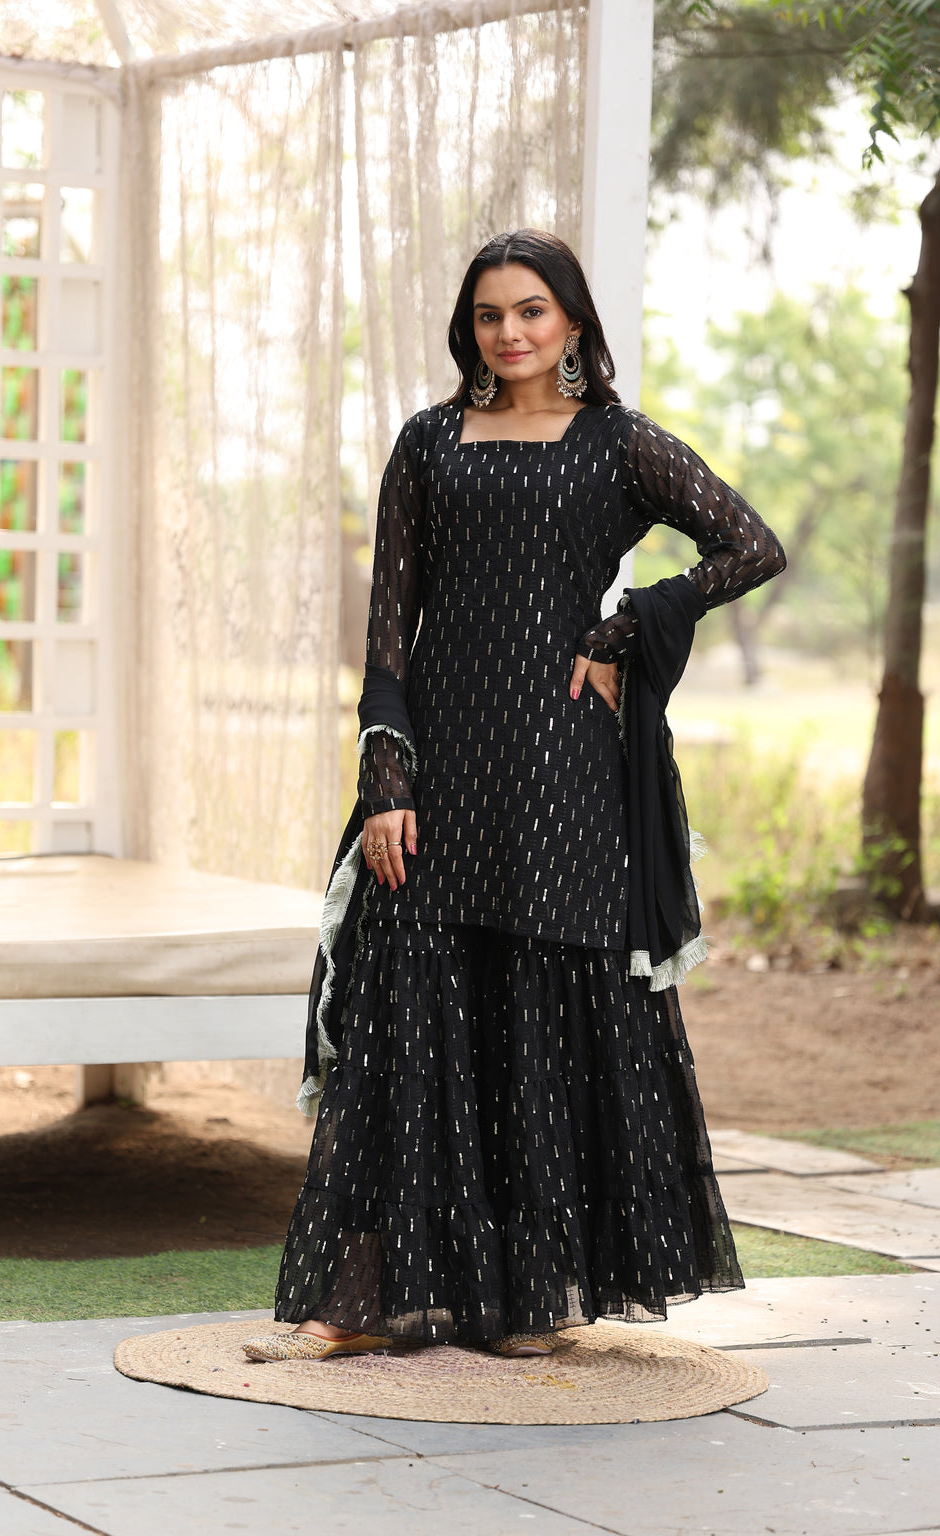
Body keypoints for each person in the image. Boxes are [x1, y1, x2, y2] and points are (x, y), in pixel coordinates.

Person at [244, 229, 785, 1364]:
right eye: (490, 315)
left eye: (531, 311)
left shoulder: (617, 447)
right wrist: (385, 774)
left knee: (543, 1013)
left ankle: (539, 1298)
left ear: (573, 322)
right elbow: (389, 626)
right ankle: (367, 1297)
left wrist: (627, 626)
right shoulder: (430, 443)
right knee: (409, 1014)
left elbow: (748, 543)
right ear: (470, 328)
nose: (510, 332)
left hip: (559, 773)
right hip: (440, 760)